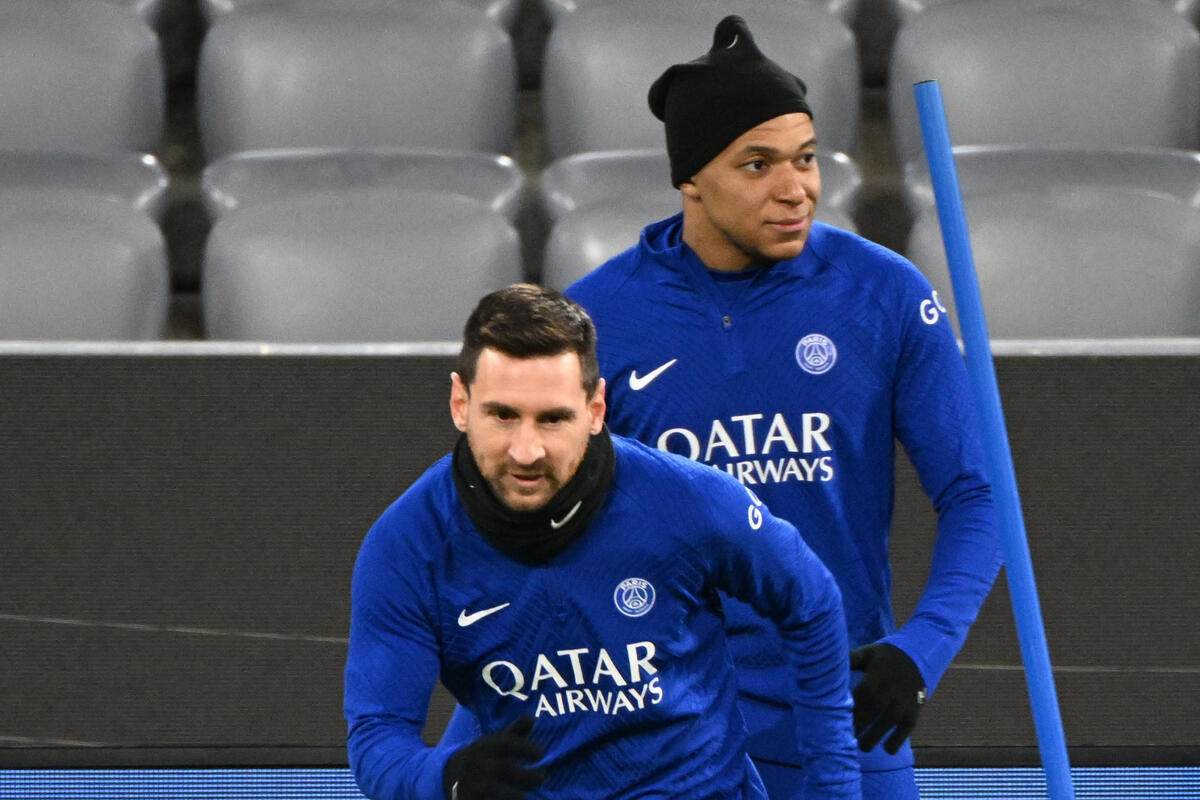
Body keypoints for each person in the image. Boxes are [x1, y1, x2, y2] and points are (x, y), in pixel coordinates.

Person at [562, 15, 1002, 800]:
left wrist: (920, 652)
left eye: (805, 158)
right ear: (691, 178)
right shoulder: (597, 321)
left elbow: (978, 494)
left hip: (848, 722)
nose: (795, 188)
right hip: (668, 738)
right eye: (757, 164)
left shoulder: (885, 295)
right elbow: (537, 536)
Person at [343, 284, 862, 799]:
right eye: (503, 415)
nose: (526, 451)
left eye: (553, 419)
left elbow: (811, 601)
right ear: (461, 403)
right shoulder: (408, 545)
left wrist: (835, 789)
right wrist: (446, 776)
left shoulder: (686, 500)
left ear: (595, 409)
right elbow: (378, 736)